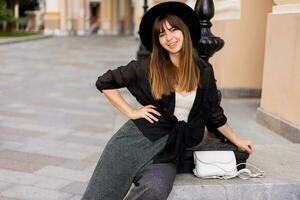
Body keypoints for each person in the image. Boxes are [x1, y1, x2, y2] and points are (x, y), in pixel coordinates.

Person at [82, 2, 253, 200]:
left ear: (185, 31)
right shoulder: (148, 67)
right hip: (133, 144)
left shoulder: (203, 71)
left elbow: (214, 113)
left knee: (155, 189)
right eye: (162, 34)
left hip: (168, 153)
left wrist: (237, 141)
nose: (169, 38)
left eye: (173, 30)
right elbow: (105, 81)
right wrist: (131, 112)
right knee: (99, 195)